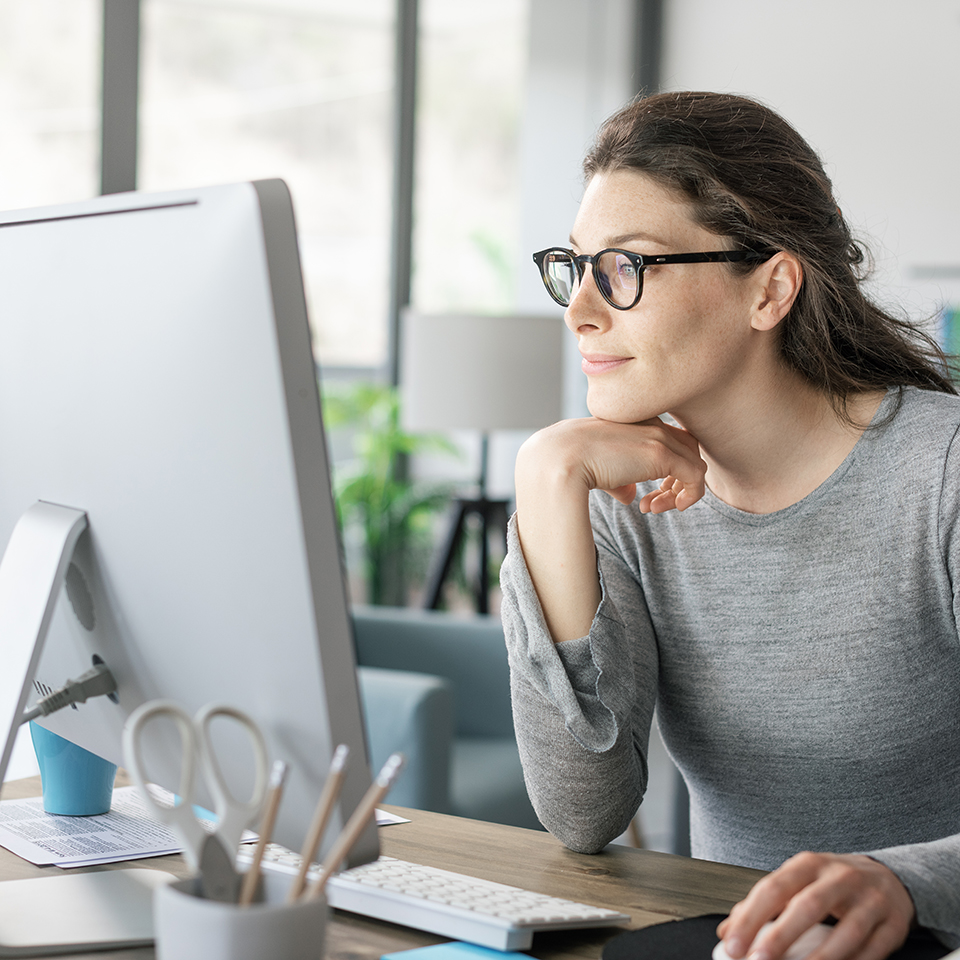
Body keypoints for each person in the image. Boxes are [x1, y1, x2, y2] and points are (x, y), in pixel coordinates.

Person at [500, 90, 960, 960]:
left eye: (626, 267)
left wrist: (902, 881)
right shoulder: (620, 501)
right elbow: (583, 812)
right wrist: (547, 483)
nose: (580, 311)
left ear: (771, 289)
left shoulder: (942, 476)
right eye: (576, 266)